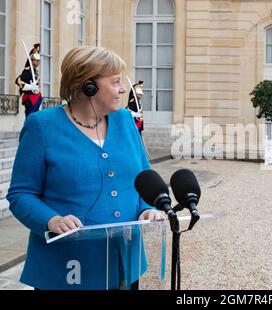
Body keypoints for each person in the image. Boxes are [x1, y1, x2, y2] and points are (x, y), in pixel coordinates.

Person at [7, 46, 163, 290]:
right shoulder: (42, 126)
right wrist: (51, 220)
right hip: (66, 270)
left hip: (125, 264)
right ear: (88, 86)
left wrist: (148, 209)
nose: (123, 89)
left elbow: (144, 178)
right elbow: (20, 194)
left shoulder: (124, 120)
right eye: (115, 82)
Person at [15, 43, 43, 117]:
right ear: (31, 60)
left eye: (38, 60)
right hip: (31, 99)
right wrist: (29, 87)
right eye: (36, 60)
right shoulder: (27, 71)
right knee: (30, 118)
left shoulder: (35, 71)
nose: (38, 62)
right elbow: (17, 81)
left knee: (36, 118)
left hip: (37, 98)